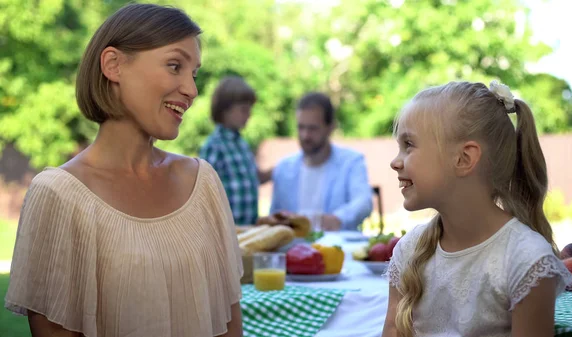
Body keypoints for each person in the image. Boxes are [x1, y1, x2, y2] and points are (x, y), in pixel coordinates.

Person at [4, 4, 243, 337]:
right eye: (175, 66)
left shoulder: (203, 182)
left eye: (194, 74)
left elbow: (230, 323)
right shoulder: (57, 195)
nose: (192, 90)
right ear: (113, 65)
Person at [382, 81, 572, 337]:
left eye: (409, 145)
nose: (395, 162)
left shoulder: (526, 260)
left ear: (464, 158)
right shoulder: (409, 250)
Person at [270, 92, 373, 231]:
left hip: (339, 249)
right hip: (292, 250)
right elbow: (274, 217)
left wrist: (338, 218)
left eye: (312, 128)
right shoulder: (283, 168)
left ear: (330, 127)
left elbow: (364, 202)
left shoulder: (351, 162)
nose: (305, 135)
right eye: (301, 127)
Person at [200, 76, 271, 225]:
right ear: (225, 110)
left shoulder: (243, 144)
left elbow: (252, 177)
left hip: (249, 229)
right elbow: (204, 191)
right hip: (226, 230)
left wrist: (279, 170)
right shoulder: (214, 146)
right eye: (244, 110)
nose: (249, 114)